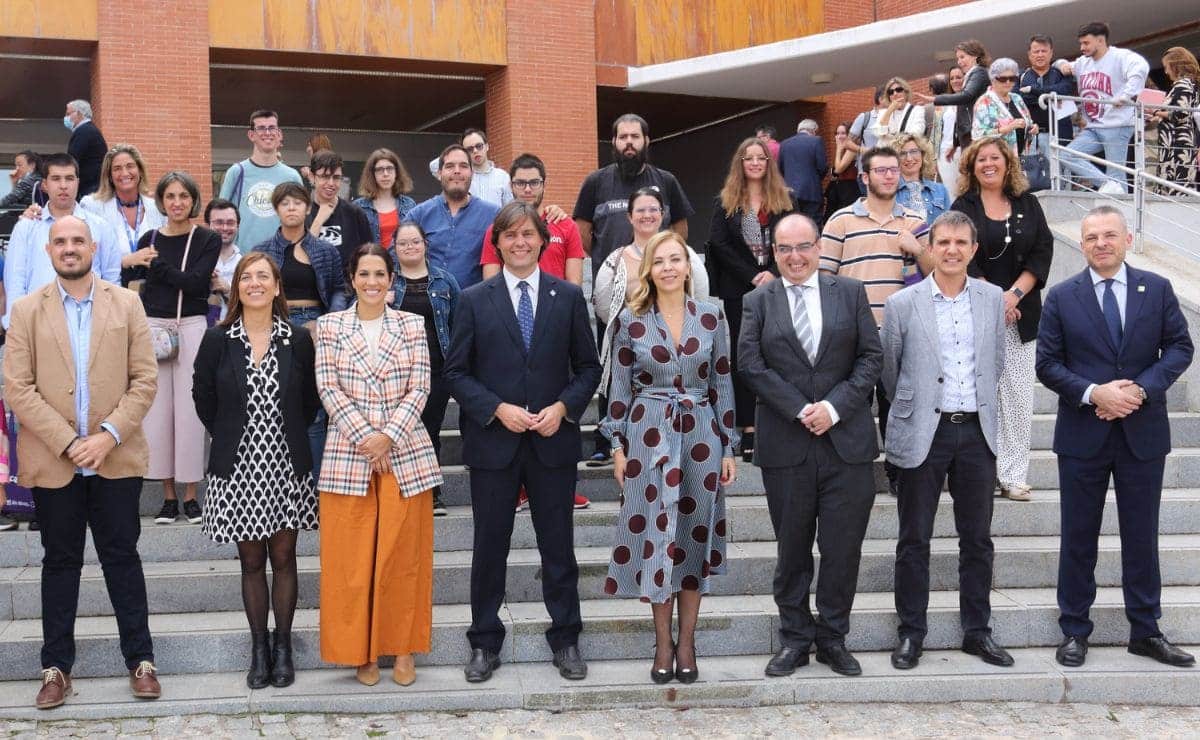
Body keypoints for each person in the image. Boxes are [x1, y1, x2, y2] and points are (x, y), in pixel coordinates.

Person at [4, 215, 160, 709]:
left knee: (122, 559)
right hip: (55, 462)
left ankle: (141, 661)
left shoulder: (128, 304)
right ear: (48, 251)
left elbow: (145, 380)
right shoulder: (26, 311)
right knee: (60, 563)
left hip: (115, 457)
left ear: (93, 247)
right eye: (60, 242)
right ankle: (56, 670)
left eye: (77, 241)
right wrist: (71, 442)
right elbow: (17, 389)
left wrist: (108, 435)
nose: (69, 249)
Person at [444, 202, 600, 684]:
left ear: (542, 241)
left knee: (559, 548)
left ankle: (567, 639)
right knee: (490, 547)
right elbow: (455, 371)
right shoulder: (472, 298)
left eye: (528, 235)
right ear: (498, 243)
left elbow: (589, 368)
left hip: (553, 440)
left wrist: (563, 408)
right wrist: (495, 408)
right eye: (509, 235)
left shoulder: (568, 296)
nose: (519, 243)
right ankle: (484, 643)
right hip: (495, 441)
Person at [1036, 205, 1195, 669]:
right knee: (1078, 537)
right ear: (1082, 245)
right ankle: (1074, 631)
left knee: (1141, 536)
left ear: (1127, 239)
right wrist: (1094, 393)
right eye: (1091, 238)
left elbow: (1181, 347)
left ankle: (1146, 631)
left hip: (1142, 435)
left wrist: (1140, 390)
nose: (1100, 243)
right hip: (1083, 435)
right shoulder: (1063, 297)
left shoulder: (1158, 289)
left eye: (1109, 235)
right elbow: (1047, 364)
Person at [738, 214, 882, 678]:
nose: (795, 257)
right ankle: (795, 639)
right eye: (784, 249)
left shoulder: (851, 293)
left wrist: (834, 408)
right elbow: (750, 363)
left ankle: (833, 638)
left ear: (819, 248)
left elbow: (871, 357)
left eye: (803, 247)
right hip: (787, 443)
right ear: (772, 253)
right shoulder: (757, 300)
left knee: (843, 549)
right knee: (792, 549)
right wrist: (802, 409)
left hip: (846, 443)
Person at [601, 229, 736, 684]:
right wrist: (616, 446)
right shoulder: (629, 320)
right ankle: (661, 644)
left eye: (676, 259)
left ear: (688, 266)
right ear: (648, 271)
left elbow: (722, 383)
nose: (669, 268)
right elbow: (618, 390)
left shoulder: (713, 316)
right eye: (659, 262)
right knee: (657, 540)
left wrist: (729, 445)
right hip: (648, 436)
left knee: (694, 540)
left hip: (701, 433)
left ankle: (688, 643)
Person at [881, 210, 1010, 671]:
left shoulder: (993, 299)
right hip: (924, 433)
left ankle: (978, 631)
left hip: (976, 430)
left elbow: (994, 362)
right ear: (929, 248)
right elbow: (891, 374)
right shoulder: (903, 304)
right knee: (913, 539)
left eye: (961, 243)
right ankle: (911, 633)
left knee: (977, 538)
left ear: (973, 250)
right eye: (944, 242)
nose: (952, 250)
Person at [316, 243, 443, 688]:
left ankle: (403, 648)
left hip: (405, 452)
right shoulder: (330, 326)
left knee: (402, 558)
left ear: (392, 279)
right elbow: (328, 388)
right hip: (347, 456)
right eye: (364, 274)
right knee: (351, 562)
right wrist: (366, 439)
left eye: (380, 274)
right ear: (352, 278)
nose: (372, 282)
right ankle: (361, 651)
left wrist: (387, 437)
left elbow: (421, 386)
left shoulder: (412, 324)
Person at [192, 251, 319, 689]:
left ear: (277, 286)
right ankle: (258, 647)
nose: (255, 283)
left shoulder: (298, 339)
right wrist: (231, 433)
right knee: (250, 561)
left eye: (263, 276)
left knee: (284, 557)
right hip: (238, 466)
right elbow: (203, 396)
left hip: (286, 463)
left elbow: (310, 403)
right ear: (237, 287)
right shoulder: (217, 339)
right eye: (247, 277)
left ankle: (283, 646)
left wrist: (279, 436)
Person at [574, 113, 694, 465]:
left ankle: (659, 434)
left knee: (659, 367)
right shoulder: (596, 182)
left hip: (663, 297)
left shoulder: (666, 181)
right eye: (622, 137)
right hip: (614, 299)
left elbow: (682, 228)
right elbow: (583, 231)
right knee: (613, 369)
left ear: (646, 141)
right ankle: (606, 440)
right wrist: (605, 258)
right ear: (613, 142)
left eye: (635, 137)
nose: (629, 143)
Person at [821, 146, 932, 497]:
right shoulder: (840, 221)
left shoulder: (915, 220)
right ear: (864, 177)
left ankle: (899, 472)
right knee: (851, 403)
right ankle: (850, 471)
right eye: (881, 170)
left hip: (902, 330)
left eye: (894, 170)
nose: (889, 175)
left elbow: (935, 273)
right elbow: (823, 279)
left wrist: (916, 249)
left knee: (897, 404)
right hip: (852, 332)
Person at [951, 137, 1054, 502]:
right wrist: (995, 299)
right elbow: (960, 254)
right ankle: (982, 475)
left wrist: (1013, 296)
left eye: (995, 158)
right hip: (976, 315)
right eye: (981, 159)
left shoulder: (1029, 203)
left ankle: (1013, 476)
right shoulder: (963, 206)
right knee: (979, 397)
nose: (988, 164)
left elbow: (1042, 253)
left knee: (1017, 397)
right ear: (971, 167)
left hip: (1020, 317)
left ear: (1008, 163)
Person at [122, 171, 221, 526]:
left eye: (183, 196)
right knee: (158, 412)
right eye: (170, 196)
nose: (177, 202)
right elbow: (129, 281)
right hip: (154, 328)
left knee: (191, 410)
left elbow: (195, 285)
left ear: (193, 200)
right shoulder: (147, 237)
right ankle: (167, 496)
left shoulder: (206, 238)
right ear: (161, 201)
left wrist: (156, 265)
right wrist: (132, 262)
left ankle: (192, 495)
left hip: (191, 326)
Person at [253, 182, 348, 482]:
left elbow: (339, 290)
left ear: (308, 208)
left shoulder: (324, 251)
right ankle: (279, 484)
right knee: (274, 406)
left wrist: (326, 321)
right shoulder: (262, 251)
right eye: (285, 203)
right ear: (277, 209)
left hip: (315, 327)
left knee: (315, 410)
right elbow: (255, 291)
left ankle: (316, 487)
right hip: (275, 324)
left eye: (297, 202)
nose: (291, 208)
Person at [705, 138, 793, 461]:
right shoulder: (726, 200)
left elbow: (792, 238)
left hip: (778, 285)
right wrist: (751, 275)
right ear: (740, 164)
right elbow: (719, 243)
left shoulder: (784, 199)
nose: (755, 163)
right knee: (744, 355)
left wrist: (772, 271)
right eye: (749, 158)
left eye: (761, 158)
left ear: (769, 164)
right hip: (739, 289)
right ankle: (748, 426)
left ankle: (777, 419)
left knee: (777, 352)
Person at [3, 153, 121, 329]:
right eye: (56, 179)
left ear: (78, 183)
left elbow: (112, 281)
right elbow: (15, 282)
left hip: (90, 326)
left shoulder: (100, 227)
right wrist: (16, 328)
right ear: (44, 185)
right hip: (38, 326)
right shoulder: (27, 228)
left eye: (69, 178)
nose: (63, 185)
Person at [391, 222, 460, 517]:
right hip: (397, 370)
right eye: (403, 243)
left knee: (428, 429)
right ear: (394, 248)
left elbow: (460, 321)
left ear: (425, 244)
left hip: (437, 369)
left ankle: (432, 493)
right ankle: (402, 490)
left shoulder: (445, 280)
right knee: (402, 430)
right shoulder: (387, 282)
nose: (410, 247)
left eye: (415, 242)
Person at [1058, 21, 1150, 194]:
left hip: (1117, 123)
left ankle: (1123, 211)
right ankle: (1109, 185)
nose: (1082, 47)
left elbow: (1140, 68)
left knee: (1116, 172)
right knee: (1065, 154)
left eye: (1086, 43)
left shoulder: (1120, 57)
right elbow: (1065, 66)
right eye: (1081, 43)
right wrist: (1061, 64)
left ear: (1100, 41)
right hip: (1093, 126)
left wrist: (1125, 95)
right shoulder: (1083, 63)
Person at [481, 153, 585, 287]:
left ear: (543, 185)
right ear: (511, 186)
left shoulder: (567, 226)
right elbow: (491, 286)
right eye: (520, 183)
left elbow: (574, 285)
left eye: (534, 183)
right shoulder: (497, 229)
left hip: (556, 305)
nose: (528, 189)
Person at [406, 144, 499, 291]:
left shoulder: (493, 215)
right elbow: (395, 256)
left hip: (472, 307)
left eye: (463, 166)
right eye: (450, 166)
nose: (457, 171)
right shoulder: (418, 215)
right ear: (439, 173)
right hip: (428, 305)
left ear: (472, 172)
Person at [218, 109, 304, 252]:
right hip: (245, 259)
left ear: (279, 134)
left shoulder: (292, 176)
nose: (267, 133)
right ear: (251, 135)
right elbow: (219, 218)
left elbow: (300, 220)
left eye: (272, 128)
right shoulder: (237, 172)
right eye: (261, 128)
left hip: (283, 259)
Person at [80, 144, 167, 266]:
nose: (124, 173)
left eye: (130, 166)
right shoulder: (92, 206)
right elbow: (87, 256)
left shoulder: (157, 208)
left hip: (150, 282)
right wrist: (126, 261)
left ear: (140, 171)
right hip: (110, 283)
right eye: (117, 169)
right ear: (109, 176)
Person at [917, 40, 991, 173]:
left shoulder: (979, 72)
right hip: (968, 136)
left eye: (963, 57)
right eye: (958, 58)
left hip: (975, 135)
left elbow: (967, 96)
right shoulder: (971, 75)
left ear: (974, 56)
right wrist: (956, 143)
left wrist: (936, 99)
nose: (959, 62)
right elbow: (962, 112)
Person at [305, 150, 373, 267]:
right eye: (325, 177)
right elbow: (301, 257)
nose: (331, 183)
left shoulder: (355, 214)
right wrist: (318, 221)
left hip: (347, 283)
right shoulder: (302, 214)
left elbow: (369, 256)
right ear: (312, 177)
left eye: (336, 177)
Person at [1149, 47, 1199, 189]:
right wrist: (1157, 115)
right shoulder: (1187, 84)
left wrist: (1154, 111)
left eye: (1167, 67)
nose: (1166, 71)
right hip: (1174, 143)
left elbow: (1179, 114)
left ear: (1175, 65)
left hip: (1177, 144)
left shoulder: (1183, 84)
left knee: (1175, 182)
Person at [1018, 35, 1077, 153]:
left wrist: (1032, 91)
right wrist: (1051, 96)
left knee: (1061, 170)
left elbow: (1065, 90)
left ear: (1051, 53)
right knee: (1032, 171)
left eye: (1044, 51)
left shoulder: (1062, 74)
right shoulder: (1021, 77)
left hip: (1060, 136)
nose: (1040, 55)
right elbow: (1019, 99)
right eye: (1036, 51)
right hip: (1031, 137)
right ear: (1029, 55)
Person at [426, 128, 513, 208]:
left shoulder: (502, 176)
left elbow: (509, 208)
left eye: (479, 146)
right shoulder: (462, 175)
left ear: (487, 146)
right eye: (469, 149)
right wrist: (458, 152)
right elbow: (433, 166)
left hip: (494, 223)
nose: (475, 151)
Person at [353, 148, 417, 251]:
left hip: (402, 264)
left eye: (390, 168)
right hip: (372, 264)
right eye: (379, 169)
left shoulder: (409, 204)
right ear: (372, 174)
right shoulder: (358, 207)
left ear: (397, 172)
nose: (386, 174)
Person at [972, 58, 1038, 154]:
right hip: (997, 159)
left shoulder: (1017, 99)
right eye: (1003, 79)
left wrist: (1032, 128)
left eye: (1012, 79)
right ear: (993, 79)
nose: (1008, 82)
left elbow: (1028, 122)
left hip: (1022, 159)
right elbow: (978, 135)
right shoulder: (983, 102)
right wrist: (1007, 128)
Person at [895, 133, 950, 228]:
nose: (909, 158)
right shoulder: (889, 192)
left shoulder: (940, 190)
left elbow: (949, 227)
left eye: (914, 152)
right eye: (902, 154)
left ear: (923, 154)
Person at [777, 120, 828, 221]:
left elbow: (780, 168)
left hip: (790, 193)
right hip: (811, 191)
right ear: (813, 131)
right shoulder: (816, 141)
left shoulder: (784, 144)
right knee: (813, 224)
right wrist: (816, 179)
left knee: (792, 224)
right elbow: (822, 167)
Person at [203, 198, 243, 321]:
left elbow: (253, 304)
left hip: (236, 331)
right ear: (207, 225)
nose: (225, 228)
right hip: (201, 333)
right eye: (219, 222)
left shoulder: (245, 264)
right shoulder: (195, 260)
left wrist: (228, 291)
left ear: (238, 226)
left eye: (230, 223)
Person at [63, 100, 107, 198]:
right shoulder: (89, 130)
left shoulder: (84, 131)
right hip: (93, 186)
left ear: (78, 113)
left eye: (68, 114)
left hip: (89, 189)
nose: (66, 118)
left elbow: (72, 161)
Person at [936, 66, 968, 194]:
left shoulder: (973, 100)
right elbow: (936, 132)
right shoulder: (943, 102)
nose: (955, 81)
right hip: (945, 154)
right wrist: (933, 158)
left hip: (967, 150)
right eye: (952, 78)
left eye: (959, 77)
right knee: (951, 192)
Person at [874, 77, 926, 144]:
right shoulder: (883, 113)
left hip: (905, 152)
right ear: (889, 96)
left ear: (906, 92)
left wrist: (892, 139)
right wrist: (890, 110)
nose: (895, 93)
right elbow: (879, 133)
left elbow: (917, 132)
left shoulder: (917, 110)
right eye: (891, 92)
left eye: (898, 90)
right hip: (886, 153)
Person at [826, 123, 860, 216]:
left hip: (851, 187)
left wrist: (838, 149)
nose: (839, 136)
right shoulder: (844, 148)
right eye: (837, 133)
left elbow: (839, 169)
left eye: (843, 133)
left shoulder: (852, 147)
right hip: (841, 187)